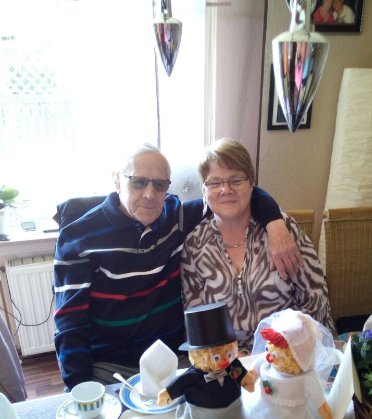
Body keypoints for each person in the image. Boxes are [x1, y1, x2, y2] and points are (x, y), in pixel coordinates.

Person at [54, 143, 299, 390]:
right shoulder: (78, 238)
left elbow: (236, 192)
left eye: (159, 185)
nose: (150, 194)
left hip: (174, 362)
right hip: (109, 369)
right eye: (138, 182)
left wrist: (275, 223)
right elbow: (70, 324)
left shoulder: (176, 217)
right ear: (117, 180)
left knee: (225, 405)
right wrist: (79, 387)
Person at [181, 138, 336, 355]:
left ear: (251, 184)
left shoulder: (282, 231)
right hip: (228, 360)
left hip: (291, 352)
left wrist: (287, 351)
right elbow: (197, 320)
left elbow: (314, 297)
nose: (226, 189)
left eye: (236, 180)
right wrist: (230, 360)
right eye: (215, 183)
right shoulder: (194, 245)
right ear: (204, 190)